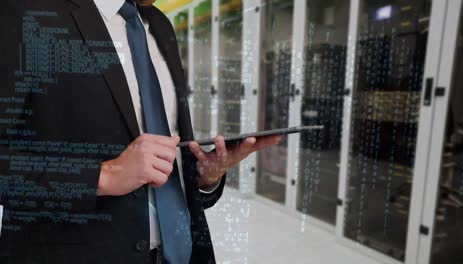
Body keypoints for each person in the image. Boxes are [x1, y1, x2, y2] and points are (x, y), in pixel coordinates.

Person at [0, 0, 280, 263]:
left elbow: (165, 141)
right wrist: (103, 176)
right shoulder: (23, 12)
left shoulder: (159, 24)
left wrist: (204, 176)